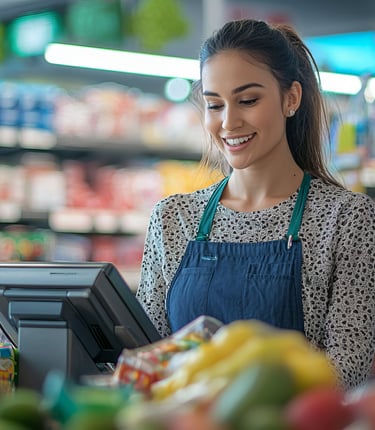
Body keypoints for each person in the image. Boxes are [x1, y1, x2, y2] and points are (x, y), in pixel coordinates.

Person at [136, 18, 375, 390]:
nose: (229, 122)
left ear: (291, 98)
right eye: (215, 105)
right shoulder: (173, 218)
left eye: (247, 100)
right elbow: (146, 356)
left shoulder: (346, 218)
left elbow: (345, 373)